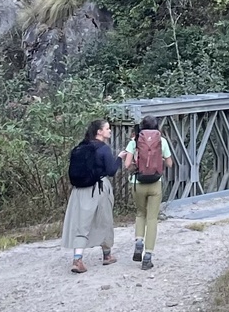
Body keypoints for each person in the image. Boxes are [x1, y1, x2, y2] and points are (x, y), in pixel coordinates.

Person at [63, 117, 123, 273]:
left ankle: (77, 259)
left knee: (81, 224)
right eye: (107, 128)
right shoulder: (103, 149)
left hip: (79, 191)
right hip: (99, 188)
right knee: (105, 220)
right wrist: (120, 158)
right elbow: (111, 171)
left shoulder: (80, 147)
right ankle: (107, 255)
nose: (110, 131)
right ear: (99, 132)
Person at [122, 117, 173, 270]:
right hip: (155, 183)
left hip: (138, 183)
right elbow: (170, 163)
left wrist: (135, 166)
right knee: (152, 218)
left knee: (140, 214)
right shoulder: (162, 141)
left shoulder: (135, 141)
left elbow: (127, 165)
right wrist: (160, 160)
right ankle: (148, 257)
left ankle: (139, 242)